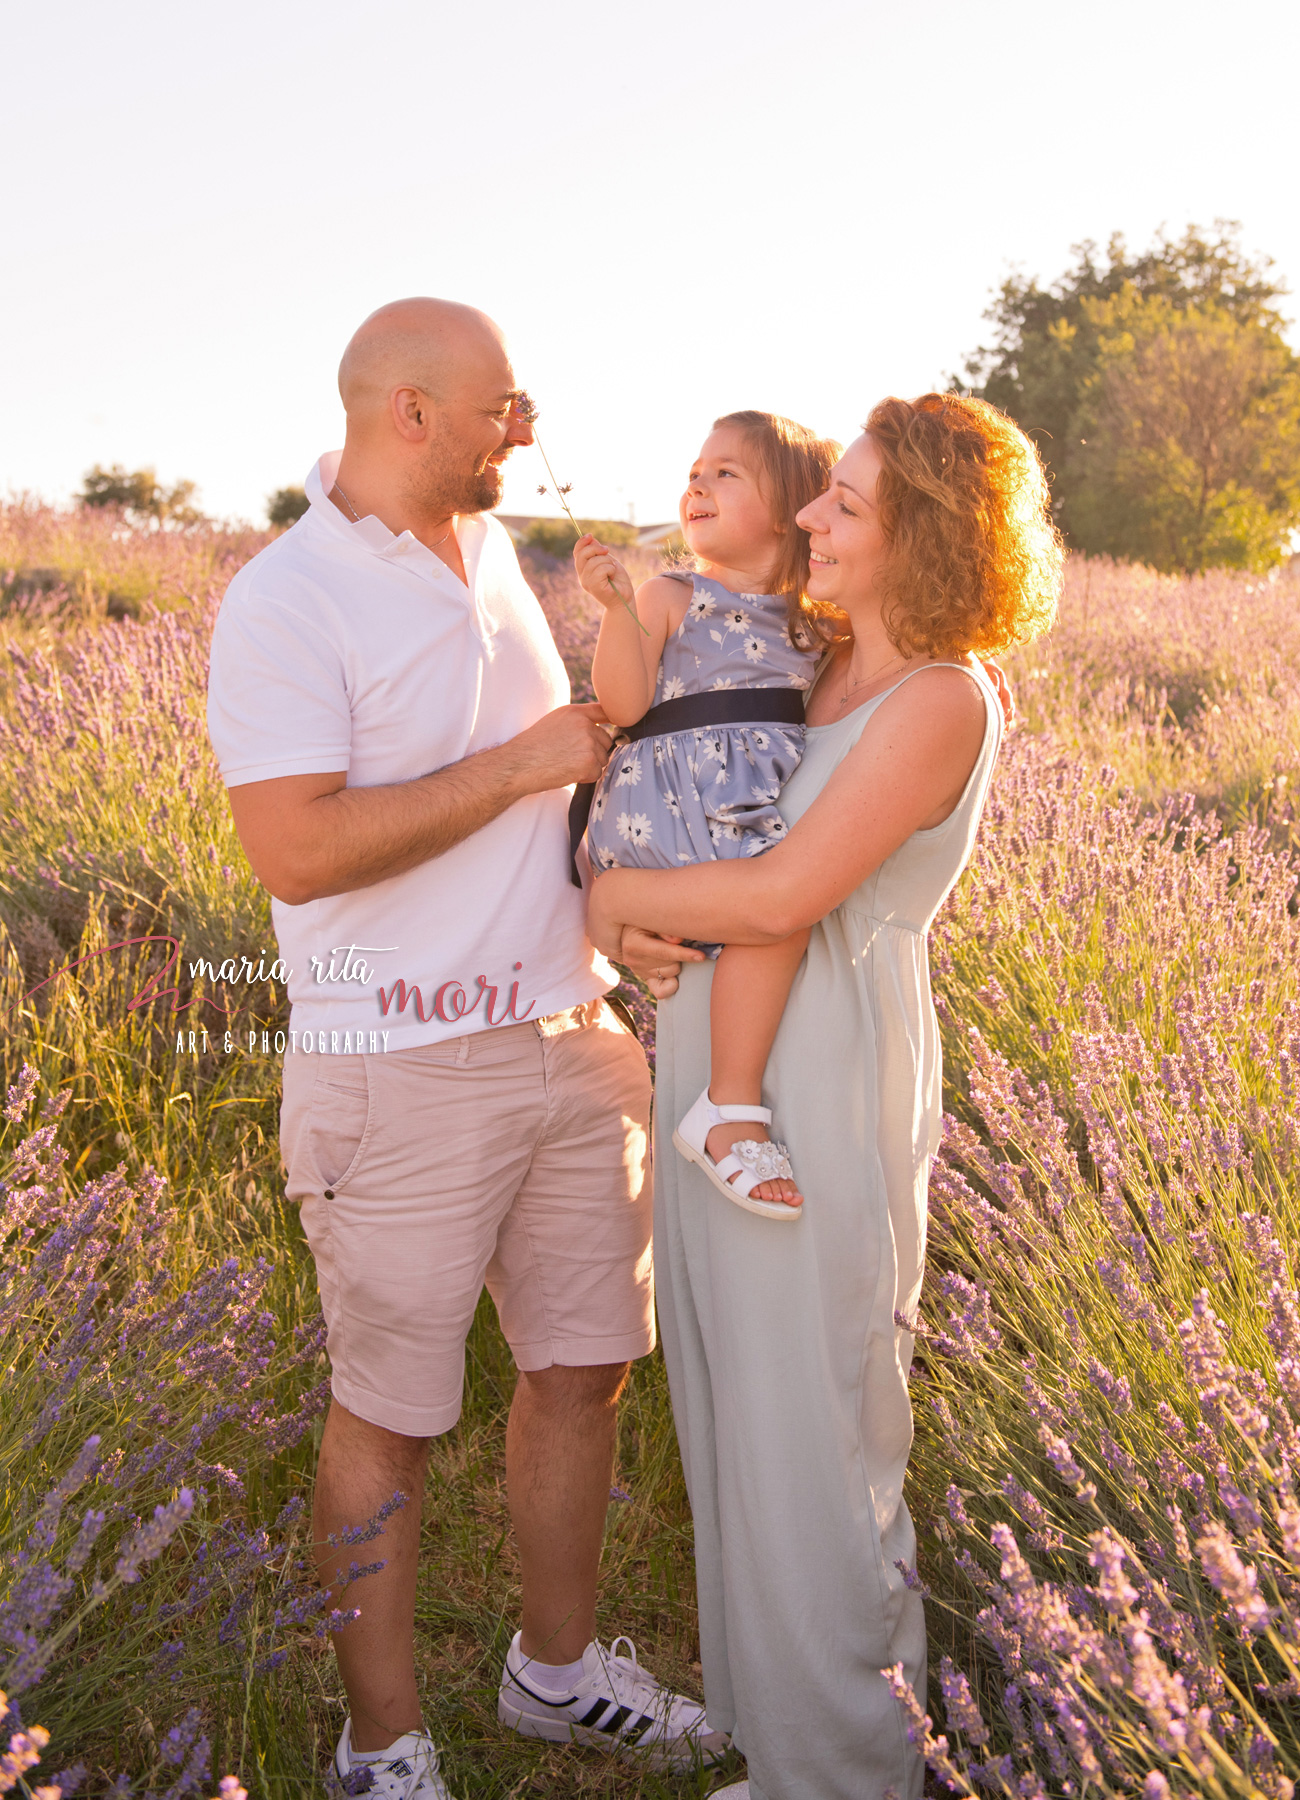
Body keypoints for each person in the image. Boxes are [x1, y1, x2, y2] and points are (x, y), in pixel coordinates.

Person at [205, 297, 727, 1800]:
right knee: (391, 1414)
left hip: (570, 1037)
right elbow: (293, 852)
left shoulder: (487, 552)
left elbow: (550, 795)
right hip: (400, 1063)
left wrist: (614, 894)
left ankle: (554, 1678)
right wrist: (522, 765)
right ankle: (384, 1751)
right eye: (505, 402)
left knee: (582, 1372)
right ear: (412, 412)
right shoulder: (288, 597)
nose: (529, 424)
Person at [585, 393, 1062, 1800]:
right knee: (734, 1400)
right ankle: (777, 1746)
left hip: (824, 1077)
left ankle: (853, 1774)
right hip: (716, 1054)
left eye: (844, 504)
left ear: (926, 533)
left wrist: (612, 895)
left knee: (823, 1426)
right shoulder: (820, 652)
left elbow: (789, 889)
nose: (809, 517)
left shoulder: (942, 697)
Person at [573, 411, 839, 1217]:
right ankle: (730, 1105)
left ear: (794, 508)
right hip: (665, 806)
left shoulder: (818, 615)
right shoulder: (671, 594)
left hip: (728, 813)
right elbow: (619, 704)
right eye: (695, 470)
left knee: (756, 915)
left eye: (728, 473)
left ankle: (710, 1069)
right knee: (777, 910)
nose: (697, 483)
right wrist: (616, 611)